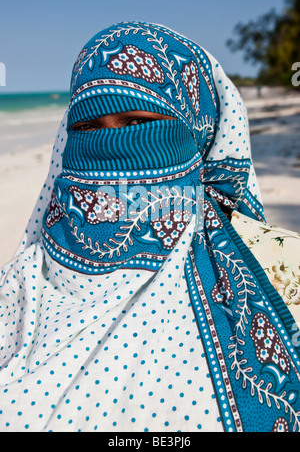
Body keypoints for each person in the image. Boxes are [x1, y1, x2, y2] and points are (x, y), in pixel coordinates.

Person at [1, 21, 300, 433]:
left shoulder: (281, 272)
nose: (111, 148)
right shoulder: (21, 285)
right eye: (88, 128)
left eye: (138, 123)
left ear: (195, 133)